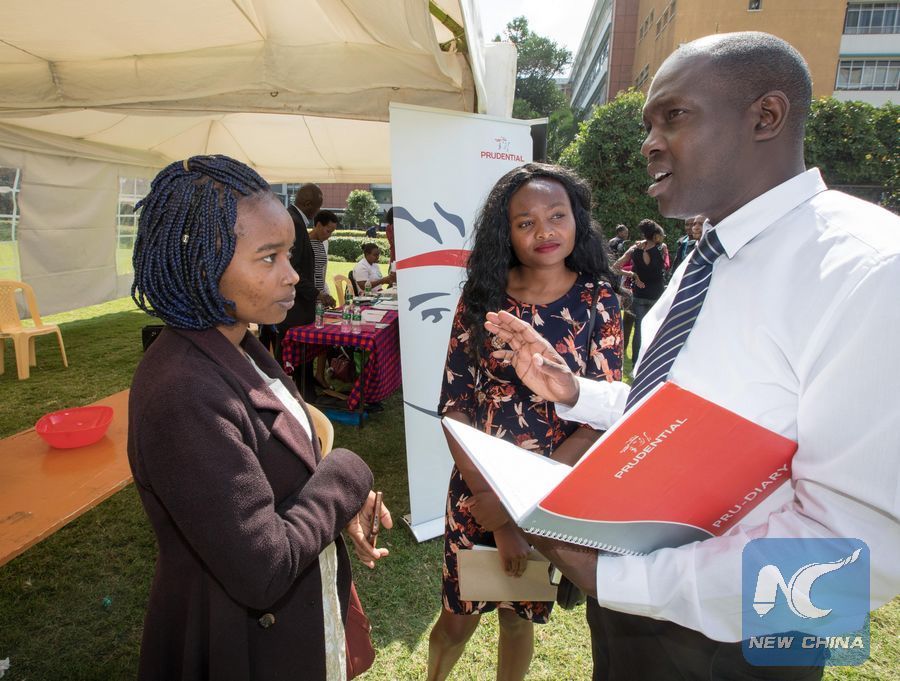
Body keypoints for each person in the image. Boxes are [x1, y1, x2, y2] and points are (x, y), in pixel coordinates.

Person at [484, 32, 900, 681]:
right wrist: (577, 392)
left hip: (736, 645)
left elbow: (857, 556)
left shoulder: (871, 270)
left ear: (765, 116)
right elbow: (690, 408)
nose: (648, 143)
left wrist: (623, 579)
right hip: (632, 604)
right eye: (647, 125)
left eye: (673, 116)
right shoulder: (707, 255)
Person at [128, 155, 392, 681]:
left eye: (288, 253)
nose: (292, 274)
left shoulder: (240, 345)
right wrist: (347, 473)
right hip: (239, 651)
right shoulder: (183, 392)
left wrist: (334, 508)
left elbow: (283, 472)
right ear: (202, 264)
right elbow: (264, 568)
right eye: (268, 257)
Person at [427, 163, 623, 681]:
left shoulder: (598, 301)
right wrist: (493, 507)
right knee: (456, 621)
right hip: (478, 493)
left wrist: (521, 512)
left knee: (518, 619)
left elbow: (600, 417)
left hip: (546, 497)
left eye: (557, 215)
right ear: (506, 232)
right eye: (525, 222)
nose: (544, 231)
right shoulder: (482, 298)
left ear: (577, 221)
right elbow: (455, 406)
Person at [613, 219, 668, 364]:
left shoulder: (634, 249)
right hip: (656, 294)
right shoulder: (662, 248)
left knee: (638, 329)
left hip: (639, 295)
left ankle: (635, 364)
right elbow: (665, 266)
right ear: (656, 234)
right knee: (655, 329)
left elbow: (615, 268)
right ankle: (649, 362)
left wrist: (633, 275)